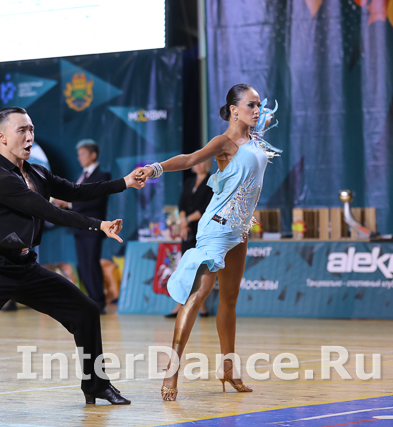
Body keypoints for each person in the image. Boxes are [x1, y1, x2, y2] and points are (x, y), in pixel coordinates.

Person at [0, 107, 144, 426]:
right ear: (2, 137)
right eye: (22, 130)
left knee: (86, 311)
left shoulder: (37, 173)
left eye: (31, 129)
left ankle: (96, 385)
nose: (30, 136)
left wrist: (124, 182)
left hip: (25, 267)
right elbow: (49, 211)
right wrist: (98, 224)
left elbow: (77, 192)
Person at [136, 84, 279, 401]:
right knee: (197, 296)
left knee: (230, 299)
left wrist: (264, 117)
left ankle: (228, 369)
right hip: (216, 229)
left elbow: (262, 130)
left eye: (259, 105)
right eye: (251, 105)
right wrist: (155, 168)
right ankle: (172, 371)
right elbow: (189, 159)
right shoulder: (223, 143)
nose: (257, 110)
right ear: (233, 110)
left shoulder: (255, 140)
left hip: (240, 230)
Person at [54, 140, 111, 312]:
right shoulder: (82, 176)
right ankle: (91, 300)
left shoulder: (103, 175)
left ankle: (99, 301)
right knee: (84, 265)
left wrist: (69, 203)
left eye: (83, 154)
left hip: (94, 226)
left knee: (91, 263)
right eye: (78, 155)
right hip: (79, 226)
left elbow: (95, 199)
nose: (79, 158)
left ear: (93, 155)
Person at [165, 161, 213, 318]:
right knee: (185, 267)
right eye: (197, 163)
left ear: (208, 165)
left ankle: (199, 305)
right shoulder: (189, 182)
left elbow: (206, 208)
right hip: (187, 231)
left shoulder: (212, 181)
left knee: (198, 268)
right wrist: (183, 223)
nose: (199, 166)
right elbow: (182, 205)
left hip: (202, 230)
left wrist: (187, 221)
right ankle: (183, 305)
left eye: (202, 163)